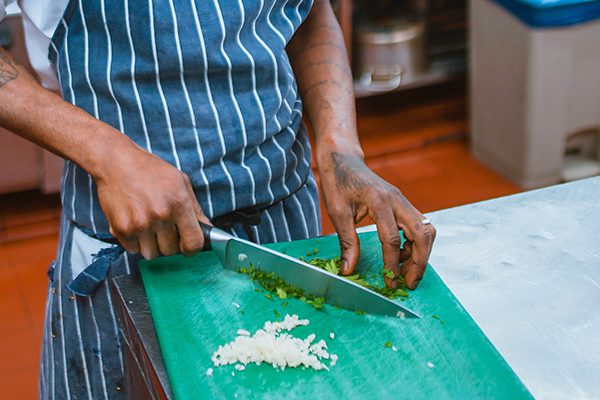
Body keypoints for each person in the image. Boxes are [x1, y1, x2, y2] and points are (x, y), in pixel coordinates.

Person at [0, 0, 436, 397]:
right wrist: (108, 154)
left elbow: (306, 13)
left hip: (282, 229)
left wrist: (340, 147)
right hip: (131, 252)